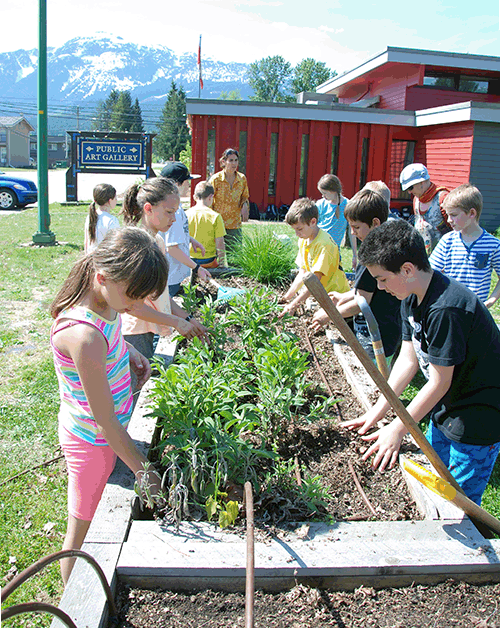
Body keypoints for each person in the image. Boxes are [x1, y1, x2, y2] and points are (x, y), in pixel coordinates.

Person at [343, 219, 500, 506]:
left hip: (478, 418)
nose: (379, 287)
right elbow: (407, 359)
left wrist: (398, 429)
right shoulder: (411, 297)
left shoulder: (446, 309)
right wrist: (377, 413)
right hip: (446, 407)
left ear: (407, 269)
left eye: (382, 279)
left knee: (457, 501)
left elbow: (440, 381)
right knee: (435, 483)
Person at [50, 227, 168, 584]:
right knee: (82, 531)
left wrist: (128, 352)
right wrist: (143, 469)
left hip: (109, 432)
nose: (135, 306)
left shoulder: (106, 300)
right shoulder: (83, 335)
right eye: (132, 297)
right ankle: (73, 603)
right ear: (102, 276)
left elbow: (110, 337)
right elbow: (104, 422)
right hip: (93, 442)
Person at [120, 177, 208, 374]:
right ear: (148, 208)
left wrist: (188, 318)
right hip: (133, 333)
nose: (174, 219)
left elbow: (157, 294)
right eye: (169, 212)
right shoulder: (137, 247)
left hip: (147, 329)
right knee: (134, 390)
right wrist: (176, 322)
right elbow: (132, 306)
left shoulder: (157, 241)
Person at [310, 189, 402, 362]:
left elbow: (362, 302)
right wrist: (344, 295)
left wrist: (329, 315)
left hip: (378, 332)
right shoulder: (380, 246)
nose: (352, 233)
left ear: (375, 223)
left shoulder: (374, 257)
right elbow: (366, 291)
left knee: (374, 375)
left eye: (356, 227)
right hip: (379, 328)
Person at [429, 183, 500, 307]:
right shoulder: (447, 241)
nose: (449, 220)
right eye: (448, 214)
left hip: (476, 311)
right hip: (449, 307)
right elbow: (429, 272)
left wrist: (491, 300)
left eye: (454, 215)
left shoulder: (493, 244)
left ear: (472, 213)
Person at [279, 198, 349, 317]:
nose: (297, 234)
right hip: (322, 295)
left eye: (299, 229)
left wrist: (294, 304)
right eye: (294, 229)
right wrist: (287, 297)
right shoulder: (304, 240)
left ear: (313, 222)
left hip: (337, 297)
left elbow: (315, 281)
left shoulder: (324, 245)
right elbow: (303, 272)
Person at [160, 162, 211, 297]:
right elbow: (172, 247)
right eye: (187, 181)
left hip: (173, 274)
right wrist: (196, 268)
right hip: (170, 276)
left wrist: (190, 239)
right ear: (177, 184)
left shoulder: (177, 206)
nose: (189, 185)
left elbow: (174, 234)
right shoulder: (173, 211)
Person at [400, 163, 450, 255]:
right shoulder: (416, 200)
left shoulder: (443, 199)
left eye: (410, 187)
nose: (409, 192)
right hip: (422, 260)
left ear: (422, 182)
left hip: (443, 261)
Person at [208, 148, 250, 248]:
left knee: (235, 259)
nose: (234, 163)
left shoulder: (242, 179)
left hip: (235, 224)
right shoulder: (216, 179)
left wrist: (245, 205)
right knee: (217, 258)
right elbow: (208, 200)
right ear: (224, 162)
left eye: (236, 160)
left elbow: (245, 196)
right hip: (218, 224)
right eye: (230, 160)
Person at [316, 174, 357, 269]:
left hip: (334, 250)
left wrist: (355, 255)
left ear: (333, 191)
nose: (323, 196)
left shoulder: (348, 205)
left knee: (337, 277)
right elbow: (311, 225)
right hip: (319, 247)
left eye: (325, 193)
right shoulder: (321, 204)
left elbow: (352, 232)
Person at [186, 181, 227, 268]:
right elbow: (220, 242)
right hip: (208, 260)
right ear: (211, 197)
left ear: (194, 197)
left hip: (189, 260)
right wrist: (222, 262)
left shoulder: (186, 214)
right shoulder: (215, 216)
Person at [84, 183, 119, 253]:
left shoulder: (90, 217)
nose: (116, 200)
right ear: (110, 200)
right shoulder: (112, 220)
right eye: (115, 198)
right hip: (104, 260)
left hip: (90, 259)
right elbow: (115, 245)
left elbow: (86, 243)